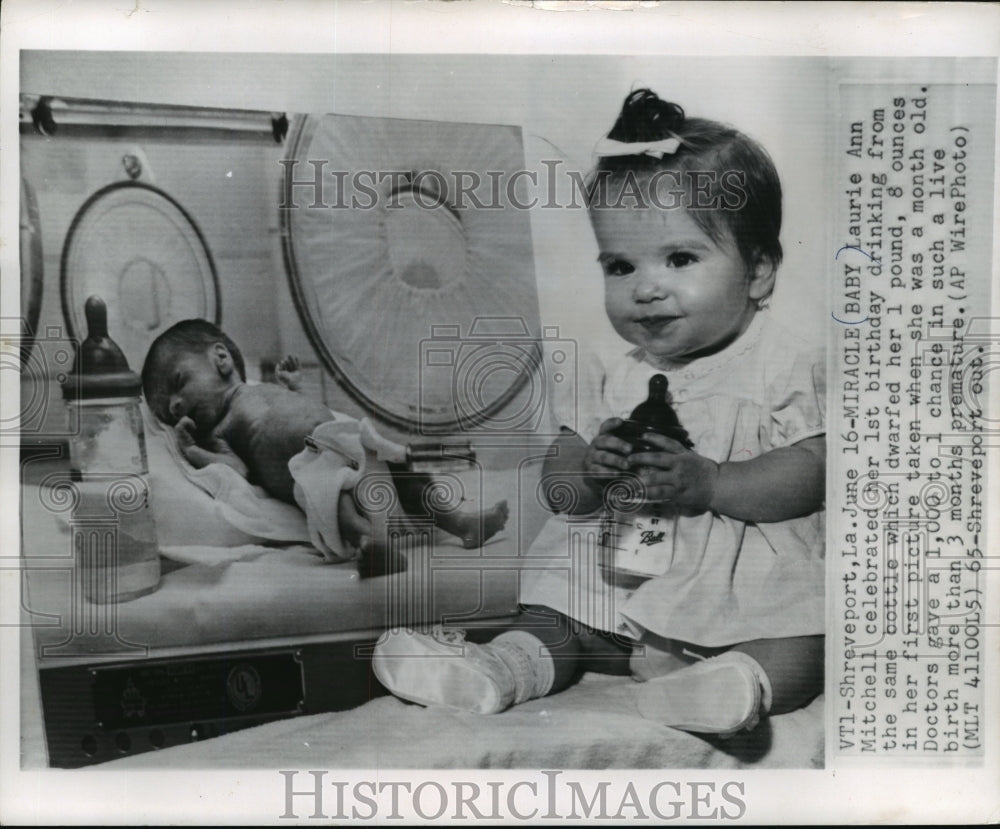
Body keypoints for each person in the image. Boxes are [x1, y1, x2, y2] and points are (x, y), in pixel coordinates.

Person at [371, 89, 825, 735]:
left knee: (809, 636)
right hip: (627, 577)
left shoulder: (784, 365)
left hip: (740, 590)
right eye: (620, 264)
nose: (644, 286)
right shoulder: (613, 375)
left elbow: (814, 472)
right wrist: (590, 466)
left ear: (757, 272)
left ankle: (735, 686)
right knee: (559, 607)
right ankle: (501, 668)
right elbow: (562, 491)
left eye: (680, 258)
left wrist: (713, 482)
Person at [141, 321, 509, 576]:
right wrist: (193, 450)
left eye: (178, 383)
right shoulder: (219, 429)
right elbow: (236, 472)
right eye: (167, 409)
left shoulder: (260, 389)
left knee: (407, 478)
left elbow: (308, 411)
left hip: (339, 438)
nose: (175, 406)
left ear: (220, 359)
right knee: (336, 503)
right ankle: (371, 545)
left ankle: (461, 522)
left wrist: (293, 387)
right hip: (307, 469)